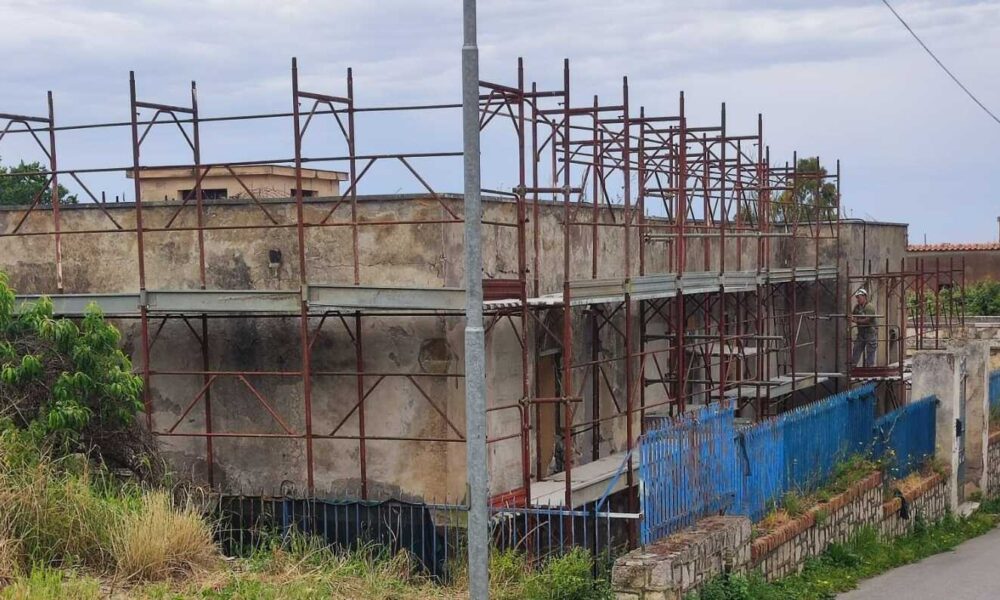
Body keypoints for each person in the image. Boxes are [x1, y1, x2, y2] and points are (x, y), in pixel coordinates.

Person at [850, 288, 877, 367]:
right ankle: (853, 367)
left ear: (865, 297)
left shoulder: (869, 307)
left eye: (859, 297)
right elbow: (853, 316)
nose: (858, 299)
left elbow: (867, 320)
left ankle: (870, 368)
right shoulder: (857, 307)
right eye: (857, 297)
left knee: (870, 350)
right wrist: (853, 319)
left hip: (870, 332)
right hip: (861, 333)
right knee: (856, 349)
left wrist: (856, 321)